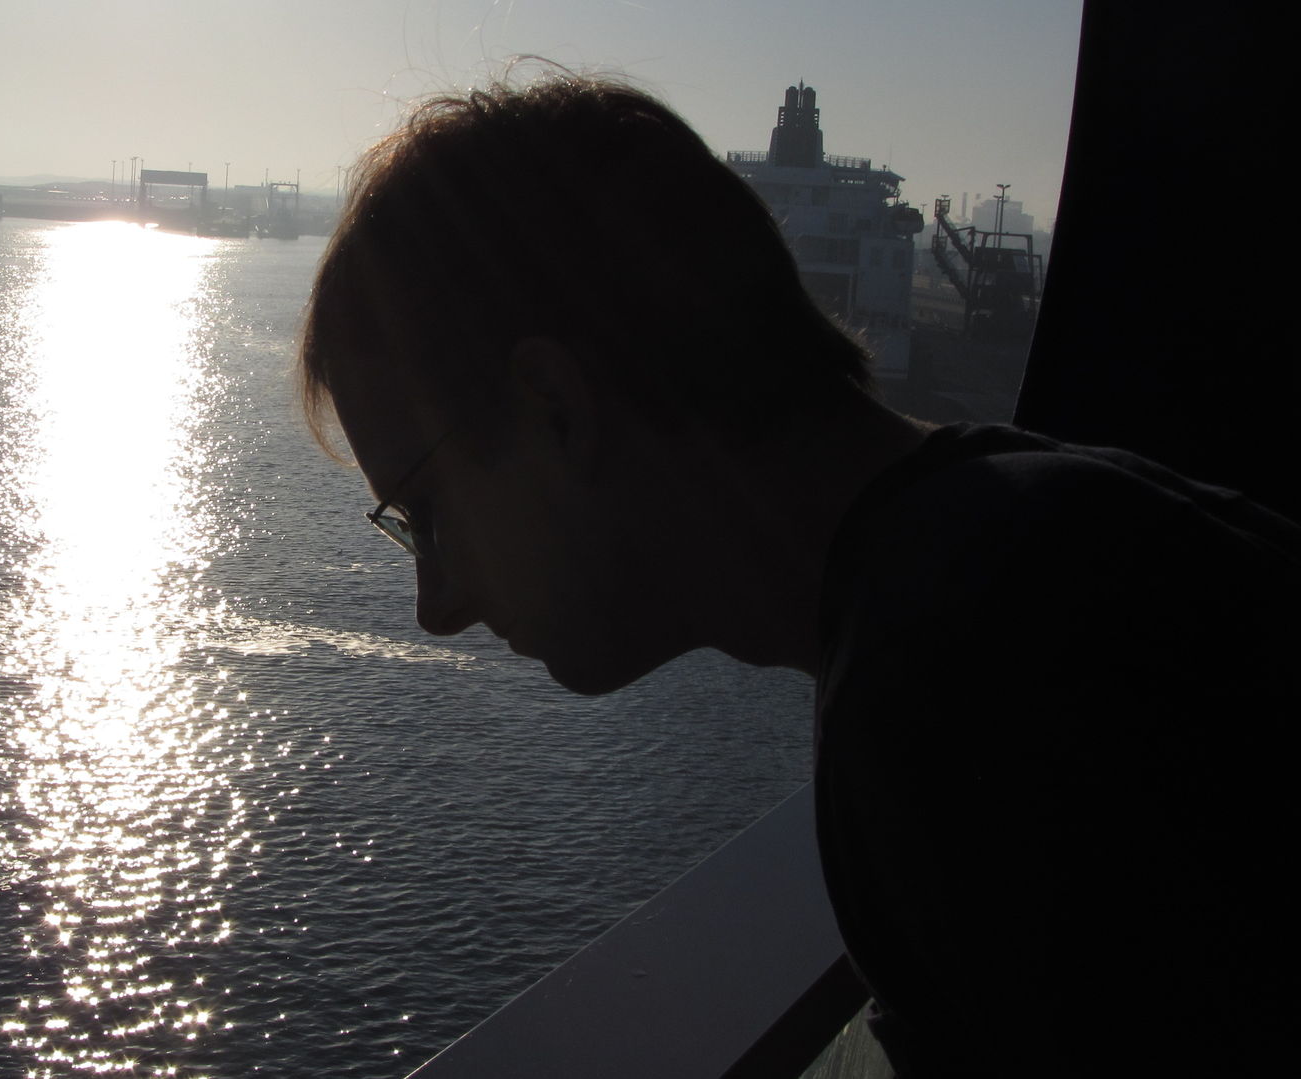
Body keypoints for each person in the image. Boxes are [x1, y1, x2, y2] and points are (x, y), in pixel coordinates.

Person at [297, 74, 1298, 1075]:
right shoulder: (1036, 537)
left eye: (428, 513)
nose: (435, 608)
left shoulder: (960, 701)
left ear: (556, 407)